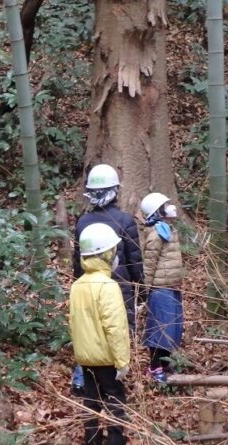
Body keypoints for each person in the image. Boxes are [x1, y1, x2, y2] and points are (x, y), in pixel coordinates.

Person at [71, 164, 143, 395]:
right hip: (120, 287)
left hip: (88, 286)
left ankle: (83, 381)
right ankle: (114, 383)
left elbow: (78, 260)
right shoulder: (125, 220)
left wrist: (79, 282)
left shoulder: (83, 222)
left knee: (88, 330)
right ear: (116, 190)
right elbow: (134, 260)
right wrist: (141, 288)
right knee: (118, 330)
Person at [69, 222, 130, 445]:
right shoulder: (108, 287)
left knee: (91, 403)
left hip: (86, 359)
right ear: (105, 254)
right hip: (106, 359)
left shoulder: (77, 286)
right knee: (116, 404)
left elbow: (74, 324)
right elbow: (116, 328)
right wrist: (122, 362)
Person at [140, 193, 186, 383]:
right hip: (160, 290)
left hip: (172, 287)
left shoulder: (167, 230)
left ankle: (165, 363)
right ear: (157, 212)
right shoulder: (156, 234)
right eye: (164, 206)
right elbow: (149, 266)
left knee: (172, 328)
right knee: (159, 330)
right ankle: (154, 366)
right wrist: (144, 291)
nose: (170, 208)